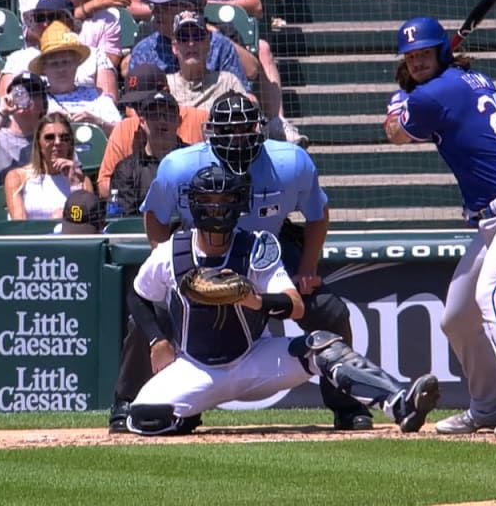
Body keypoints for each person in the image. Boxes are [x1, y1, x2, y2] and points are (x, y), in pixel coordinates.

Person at [109, 92, 374, 434]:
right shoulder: (179, 166)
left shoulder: (291, 162)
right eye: (228, 131)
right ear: (210, 132)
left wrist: (307, 268)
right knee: (151, 313)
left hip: (267, 257)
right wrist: (167, 258)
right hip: (203, 260)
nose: (237, 138)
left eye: (245, 129)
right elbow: (155, 215)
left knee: (330, 310)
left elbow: (317, 214)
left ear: (259, 130)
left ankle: (346, 404)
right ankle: (126, 400)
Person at [125, 163, 440, 436]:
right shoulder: (172, 251)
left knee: (323, 344)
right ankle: (188, 414)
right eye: (208, 201)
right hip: (196, 369)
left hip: (255, 360)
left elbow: (296, 305)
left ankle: (400, 402)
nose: (216, 209)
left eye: (224, 201)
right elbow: (138, 294)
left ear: (238, 205)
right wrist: (157, 340)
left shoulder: (257, 246)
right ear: (194, 205)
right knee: (142, 418)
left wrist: (254, 299)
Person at [384, 16, 496, 437]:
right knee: (458, 316)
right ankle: (489, 406)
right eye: (410, 57)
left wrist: (400, 99)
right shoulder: (469, 77)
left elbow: (395, 133)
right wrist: (415, 89)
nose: (416, 62)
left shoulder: (434, 92)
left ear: (442, 53)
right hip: (494, 217)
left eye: (425, 53)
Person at [127, 0, 287, 122]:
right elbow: (132, 108)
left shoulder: (220, 43)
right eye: (156, 7)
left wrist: (206, 25)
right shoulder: (146, 48)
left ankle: (279, 123)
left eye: (164, 7)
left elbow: (246, 87)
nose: (156, 13)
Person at [97, 64, 205, 195]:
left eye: (144, 103)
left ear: (165, 92)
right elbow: (104, 185)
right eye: (134, 105)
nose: (140, 110)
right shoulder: (123, 129)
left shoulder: (200, 120)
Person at [0, 0, 118, 103]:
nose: (45, 23)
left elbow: (109, 102)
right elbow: (6, 105)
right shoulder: (17, 59)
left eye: (53, 16)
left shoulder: (96, 56)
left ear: (70, 21)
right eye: (40, 18)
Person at [30, 22, 122, 134]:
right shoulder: (36, 101)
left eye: (66, 62)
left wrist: (98, 123)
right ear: (44, 68)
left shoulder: (97, 97)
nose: (61, 69)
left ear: (77, 63)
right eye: (54, 64)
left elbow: (122, 134)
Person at [108, 81, 185, 216]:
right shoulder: (126, 169)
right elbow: (124, 220)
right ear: (142, 122)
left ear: (179, 121)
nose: (162, 120)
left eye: (168, 114)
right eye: (154, 115)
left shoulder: (193, 162)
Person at [0, 73, 51, 199]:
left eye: (33, 93)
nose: (26, 97)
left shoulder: (52, 138)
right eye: (19, 92)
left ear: (44, 104)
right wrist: (2, 113)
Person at [3, 113, 94, 220]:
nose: (57, 142)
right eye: (49, 137)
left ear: (70, 143)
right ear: (38, 142)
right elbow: (21, 227)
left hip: (67, 236)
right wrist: (51, 224)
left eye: (64, 137)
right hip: (34, 235)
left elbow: (81, 223)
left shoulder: (83, 182)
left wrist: (75, 186)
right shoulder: (17, 178)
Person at [167, 10, 247, 110]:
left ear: (208, 44)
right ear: (174, 47)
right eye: (184, 38)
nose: (191, 43)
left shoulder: (228, 82)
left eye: (197, 36)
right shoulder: (166, 85)